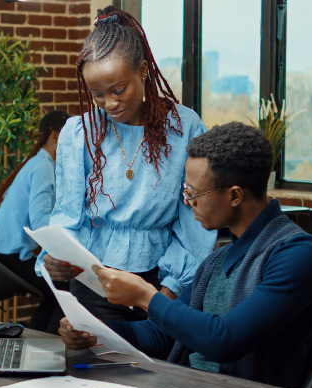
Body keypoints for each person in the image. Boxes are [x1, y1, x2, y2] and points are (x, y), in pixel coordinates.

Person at [59, 122, 312, 388]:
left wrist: (146, 296)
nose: (188, 202)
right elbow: (161, 334)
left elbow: (225, 340)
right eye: (185, 191)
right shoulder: (217, 261)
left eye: (194, 193)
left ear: (235, 195)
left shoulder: (299, 255)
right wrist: (97, 333)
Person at [39, 6, 216, 322]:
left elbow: (193, 224)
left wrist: (166, 296)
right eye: (96, 95)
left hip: (162, 284)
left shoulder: (183, 128)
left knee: (157, 369)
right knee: (97, 366)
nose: (110, 103)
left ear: (144, 71)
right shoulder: (79, 133)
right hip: (95, 282)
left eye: (119, 89)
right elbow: (68, 216)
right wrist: (56, 259)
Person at [0, 110, 70, 333]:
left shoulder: (37, 162)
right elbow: (40, 224)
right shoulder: (44, 167)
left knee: (56, 290)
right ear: (56, 137)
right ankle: (48, 343)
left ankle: (40, 338)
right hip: (4, 258)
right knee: (67, 287)